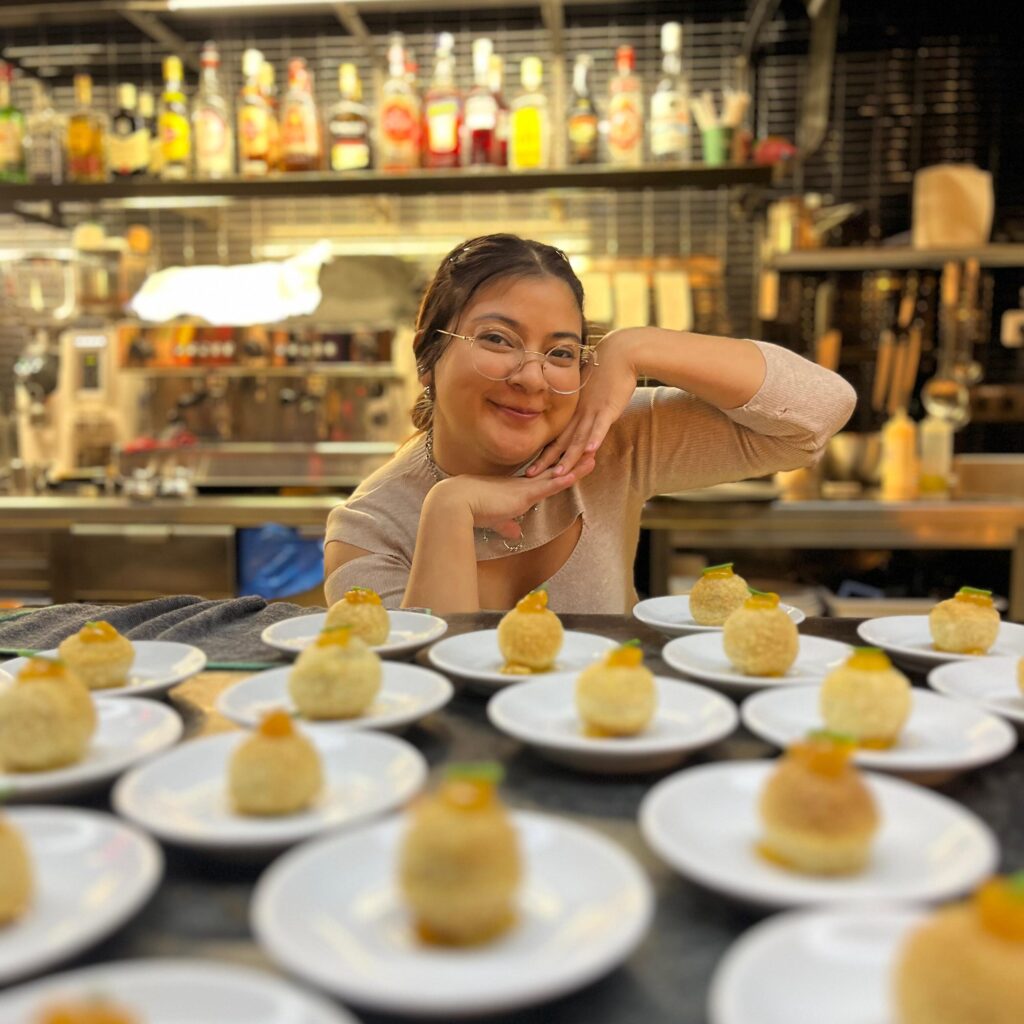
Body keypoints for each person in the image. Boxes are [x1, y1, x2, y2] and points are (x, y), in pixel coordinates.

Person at [324, 234, 855, 614]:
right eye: (497, 340)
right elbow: (416, 691)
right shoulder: (369, 528)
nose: (531, 377)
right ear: (426, 356)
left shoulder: (607, 440)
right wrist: (448, 509)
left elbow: (819, 414)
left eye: (560, 352)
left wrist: (633, 347)